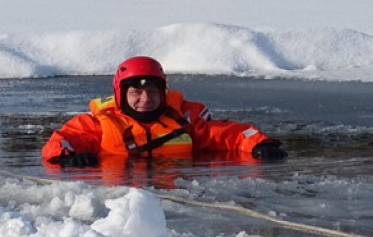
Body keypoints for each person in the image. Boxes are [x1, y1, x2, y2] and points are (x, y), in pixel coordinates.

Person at [42, 56, 287, 167]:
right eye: (136, 93)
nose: (145, 99)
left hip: (174, 195)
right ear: (121, 94)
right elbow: (62, 140)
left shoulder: (185, 118)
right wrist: (66, 156)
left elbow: (227, 134)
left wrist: (258, 144)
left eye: (153, 92)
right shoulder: (99, 124)